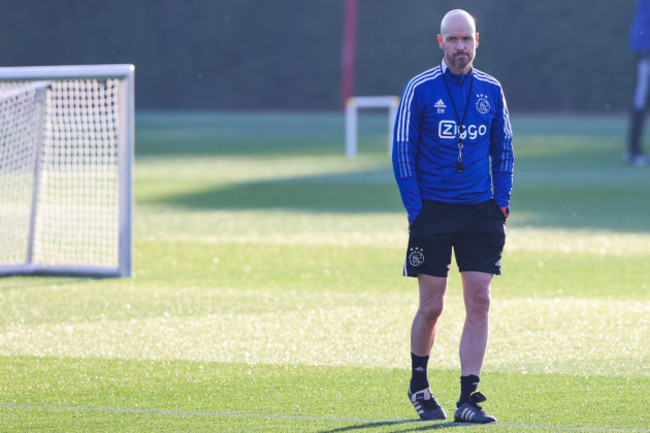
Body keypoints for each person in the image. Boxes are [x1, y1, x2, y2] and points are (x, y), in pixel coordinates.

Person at [392, 9, 514, 424]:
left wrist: (501, 203)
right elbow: (401, 150)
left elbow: (504, 150)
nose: (461, 46)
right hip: (434, 212)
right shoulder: (420, 88)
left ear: (477, 40)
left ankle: (468, 398)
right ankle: (419, 385)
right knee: (432, 307)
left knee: (479, 300)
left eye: (467, 39)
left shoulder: (492, 90)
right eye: (453, 39)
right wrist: (416, 209)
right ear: (440, 42)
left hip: (481, 212)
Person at [627, 0, 650, 166]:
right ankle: (633, 151)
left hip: (643, 45)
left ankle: (633, 150)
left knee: (642, 98)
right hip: (646, 47)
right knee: (641, 98)